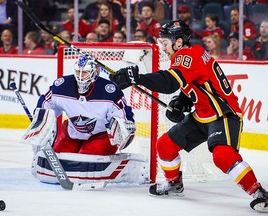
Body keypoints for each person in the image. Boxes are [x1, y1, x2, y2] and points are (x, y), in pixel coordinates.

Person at [109, 20, 268, 213]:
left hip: (223, 113)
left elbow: (170, 82)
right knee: (165, 145)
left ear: (178, 42)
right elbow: (192, 84)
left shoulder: (188, 55)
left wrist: (138, 79)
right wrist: (180, 102)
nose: (163, 48)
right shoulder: (190, 55)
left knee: (222, 155)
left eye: (165, 43)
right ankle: (174, 183)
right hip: (202, 115)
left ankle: (259, 193)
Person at [35, 56, 135, 155]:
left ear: (95, 72)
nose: (80, 76)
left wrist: (126, 125)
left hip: (101, 136)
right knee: (59, 157)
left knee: (85, 160)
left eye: (85, 72)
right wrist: (40, 121)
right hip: (72, 133)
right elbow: (46, 103)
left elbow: (122, 114)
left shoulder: (108, 91)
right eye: (78, 72)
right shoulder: (63, 86)